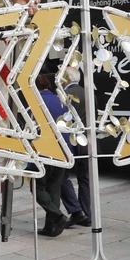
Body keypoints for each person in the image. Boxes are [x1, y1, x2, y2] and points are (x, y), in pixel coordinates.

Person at [35, 72, 71, 237]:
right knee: (54, 188)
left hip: (46, 149)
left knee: (38, 188)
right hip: (63, 149)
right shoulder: (59, 99)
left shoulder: (36, 101)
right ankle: (51, 227)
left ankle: (57, 215)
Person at [59, 68, 92, 228]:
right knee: (85, 179)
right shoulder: (88, 92)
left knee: (61, 177)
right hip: (88, 143)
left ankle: (75, 209)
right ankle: (87, 214)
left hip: (72, 142)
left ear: (65, 78)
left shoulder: (66, 95)